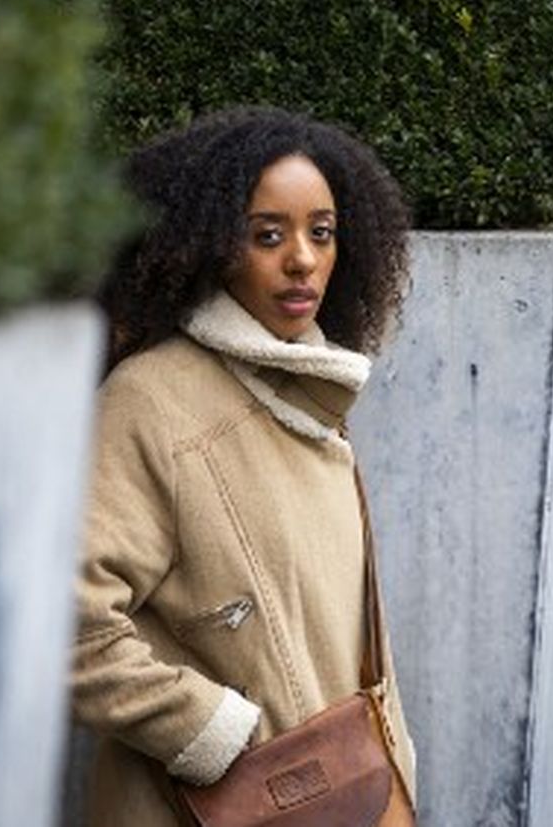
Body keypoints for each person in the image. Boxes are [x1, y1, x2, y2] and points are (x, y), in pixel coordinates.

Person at [72, 107, 417, 827]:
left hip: (342, 799)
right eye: (268, 234)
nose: (302, 259)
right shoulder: (151, 401)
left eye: (321, 232)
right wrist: (214, 730)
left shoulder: (309, 393)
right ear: (208, 245)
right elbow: (65, 621)